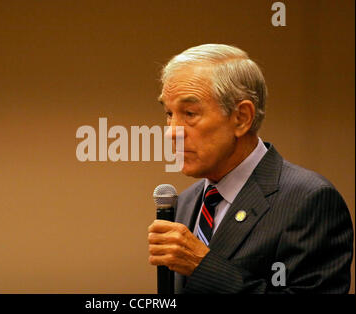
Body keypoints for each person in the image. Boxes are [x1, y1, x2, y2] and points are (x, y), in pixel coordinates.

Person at [147, 44, 354, 293]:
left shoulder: (310, 199)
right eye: (169, 113)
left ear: (242, 117)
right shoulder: (186, 201)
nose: (172, 131)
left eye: (190, 113)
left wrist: (204, 267)